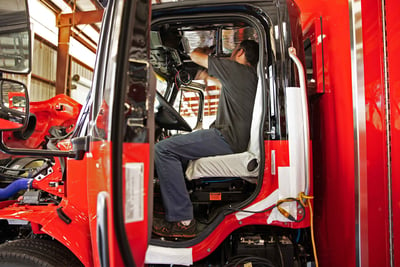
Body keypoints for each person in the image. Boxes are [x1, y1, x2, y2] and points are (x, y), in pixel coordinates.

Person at [152, 40, 259, 238]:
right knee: (176, 150)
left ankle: (183, 221)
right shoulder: (248, 77)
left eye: (232, 51)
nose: (229, 56)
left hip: (226, 138)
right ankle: (168, 201)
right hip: (230, 137)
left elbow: (194, 55)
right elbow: (221, 83)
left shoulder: (237, 69)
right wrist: (208, 77)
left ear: (241, 52)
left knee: (162, 150)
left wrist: (206, 49)